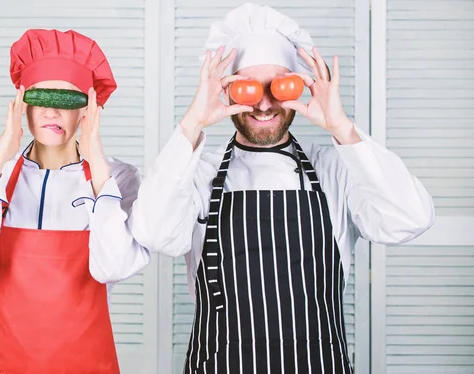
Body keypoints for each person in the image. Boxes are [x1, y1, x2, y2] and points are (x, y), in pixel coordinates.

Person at [128, 3, 435, 373]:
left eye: (278, 86)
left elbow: (411, 218)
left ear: (298, 88)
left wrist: (343, 129)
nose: (263, 102)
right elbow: (152, 232)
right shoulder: (198, 173)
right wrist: (192, 124)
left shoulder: (334, 169)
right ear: (226, 92)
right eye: (247, 87)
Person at [0, 28, 150, 373]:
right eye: (40, 98)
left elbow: (115, 268)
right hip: (2, 363)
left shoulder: (116, 179)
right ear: (22, 105)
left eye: (68, 101)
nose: (51, 112)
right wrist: (3, 149)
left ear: (87, 110)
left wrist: (98, 165)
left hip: (87, 363)